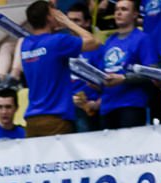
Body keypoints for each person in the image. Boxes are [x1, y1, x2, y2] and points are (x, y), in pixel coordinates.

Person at [20, 1, 103, 137]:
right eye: (55, 12)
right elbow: (94, 42)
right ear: (49, 17)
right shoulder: (57, 41)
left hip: (32, 119)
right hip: (55, 118)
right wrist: (67, 22)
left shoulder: (25, 44)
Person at [91, 0, 159, 130]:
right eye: (116, 9)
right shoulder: (109, 41)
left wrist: (124, 78)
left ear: (135, 14)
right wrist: (95, 81)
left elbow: (152, 72)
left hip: (131, 104)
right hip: (107, 105)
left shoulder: (142, 39)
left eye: (124, 9)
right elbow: (103, 71)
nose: (118, 13)